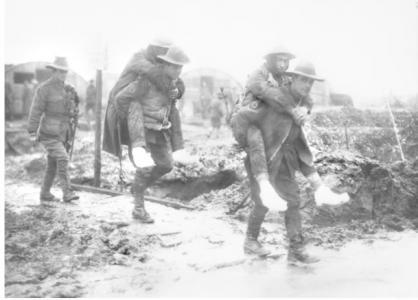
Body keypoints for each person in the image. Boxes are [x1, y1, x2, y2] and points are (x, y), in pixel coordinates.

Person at [235, 60, 348, 263]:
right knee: (262, 203)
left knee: (293, 202)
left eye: (310, 83)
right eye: (303, 80)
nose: (307, 86)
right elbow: (243, 118)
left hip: (285, 159)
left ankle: (296, 249)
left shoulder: (300, 103)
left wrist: (306, 108)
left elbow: (297, 139)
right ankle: (250, 241)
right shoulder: (275, 99)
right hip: (261, 157)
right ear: (292, 78)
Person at [103, 46, 195, 223]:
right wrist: (132, 117)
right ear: (165, 65)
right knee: (144, 167)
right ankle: (139, 208)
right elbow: (120, 99)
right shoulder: (146, 81)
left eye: (180, 68)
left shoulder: (173, 84)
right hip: (141, 132)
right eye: (175, 67)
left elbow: (172, 102)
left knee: (166, 165)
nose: (178, 71)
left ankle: (138, 189)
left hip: (158, 131)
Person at [27, 57, 79, 203]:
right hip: (48, 132)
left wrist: (74, 110)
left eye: (65, 72)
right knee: (62, 158)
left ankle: (45, 193)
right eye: (60, 71)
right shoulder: (44, 89)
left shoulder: (69, 88)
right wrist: (32, 131)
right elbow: (36, 110)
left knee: (53, 164)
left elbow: (73, 109)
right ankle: (67, 192)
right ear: (54, 71)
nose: (63, 74)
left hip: (63, 132)